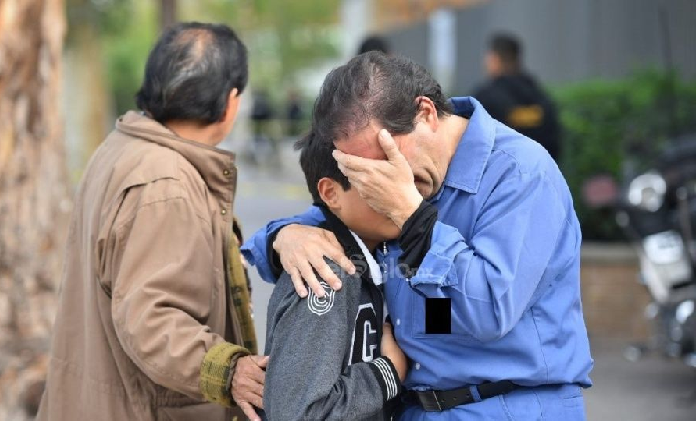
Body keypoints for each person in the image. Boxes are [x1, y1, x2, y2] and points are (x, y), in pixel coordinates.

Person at [243, 52, 593, 420]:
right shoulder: (388, 185)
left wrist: (411, 214)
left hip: (507, 405)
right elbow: (309, 232)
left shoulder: (520, 174)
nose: (382, 184)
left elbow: (489, 311)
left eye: (387, 160)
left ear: (425, 113)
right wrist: (285, 236)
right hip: (414, 407)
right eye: (365, 175)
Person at [38, 22, 266, 421]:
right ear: (231, 103)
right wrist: (229, 370)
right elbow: (151, 319)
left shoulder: (122, 148)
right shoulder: (166, 183)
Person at [261, 132, 406, 421]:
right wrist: (387, 373)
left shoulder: (381, 258)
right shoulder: (327, 273)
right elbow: (298, 413)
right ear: (330, 193)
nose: (400, 192)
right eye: (377, 179)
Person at [473, 33, 562, 163]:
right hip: (539, 174)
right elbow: (555, 143)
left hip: (500, 176)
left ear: (494, 59)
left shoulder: (484, 98)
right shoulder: (541, 97)